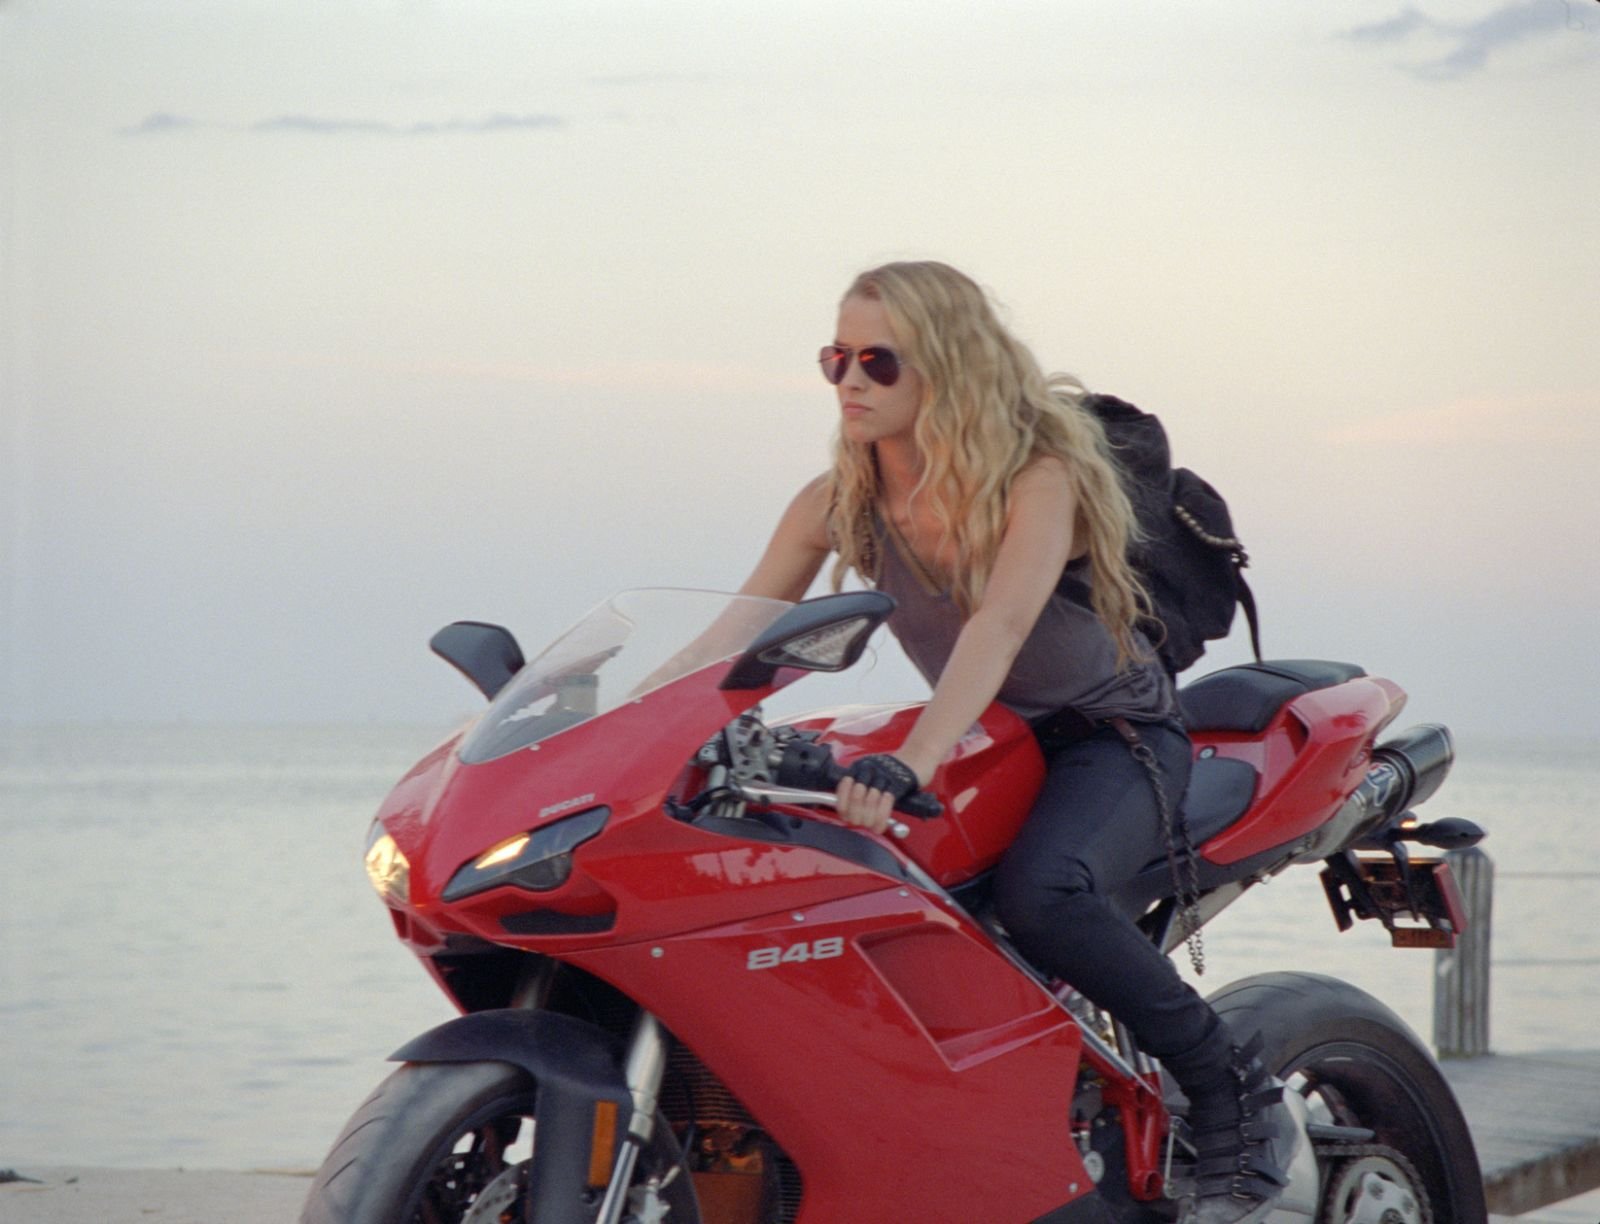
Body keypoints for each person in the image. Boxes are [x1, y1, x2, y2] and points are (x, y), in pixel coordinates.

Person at [737, 261, 1296, 1222]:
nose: (851, 382)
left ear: (948, 368)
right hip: (987, 736)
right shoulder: (841, 497)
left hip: (1110, 736)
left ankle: (1227, 1084)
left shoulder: (1042, 478)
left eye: (879, 360)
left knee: (1044, 895)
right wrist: (595, 725)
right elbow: (739, 633)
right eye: (836, 358)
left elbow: (999, 626)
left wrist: (910, 758)